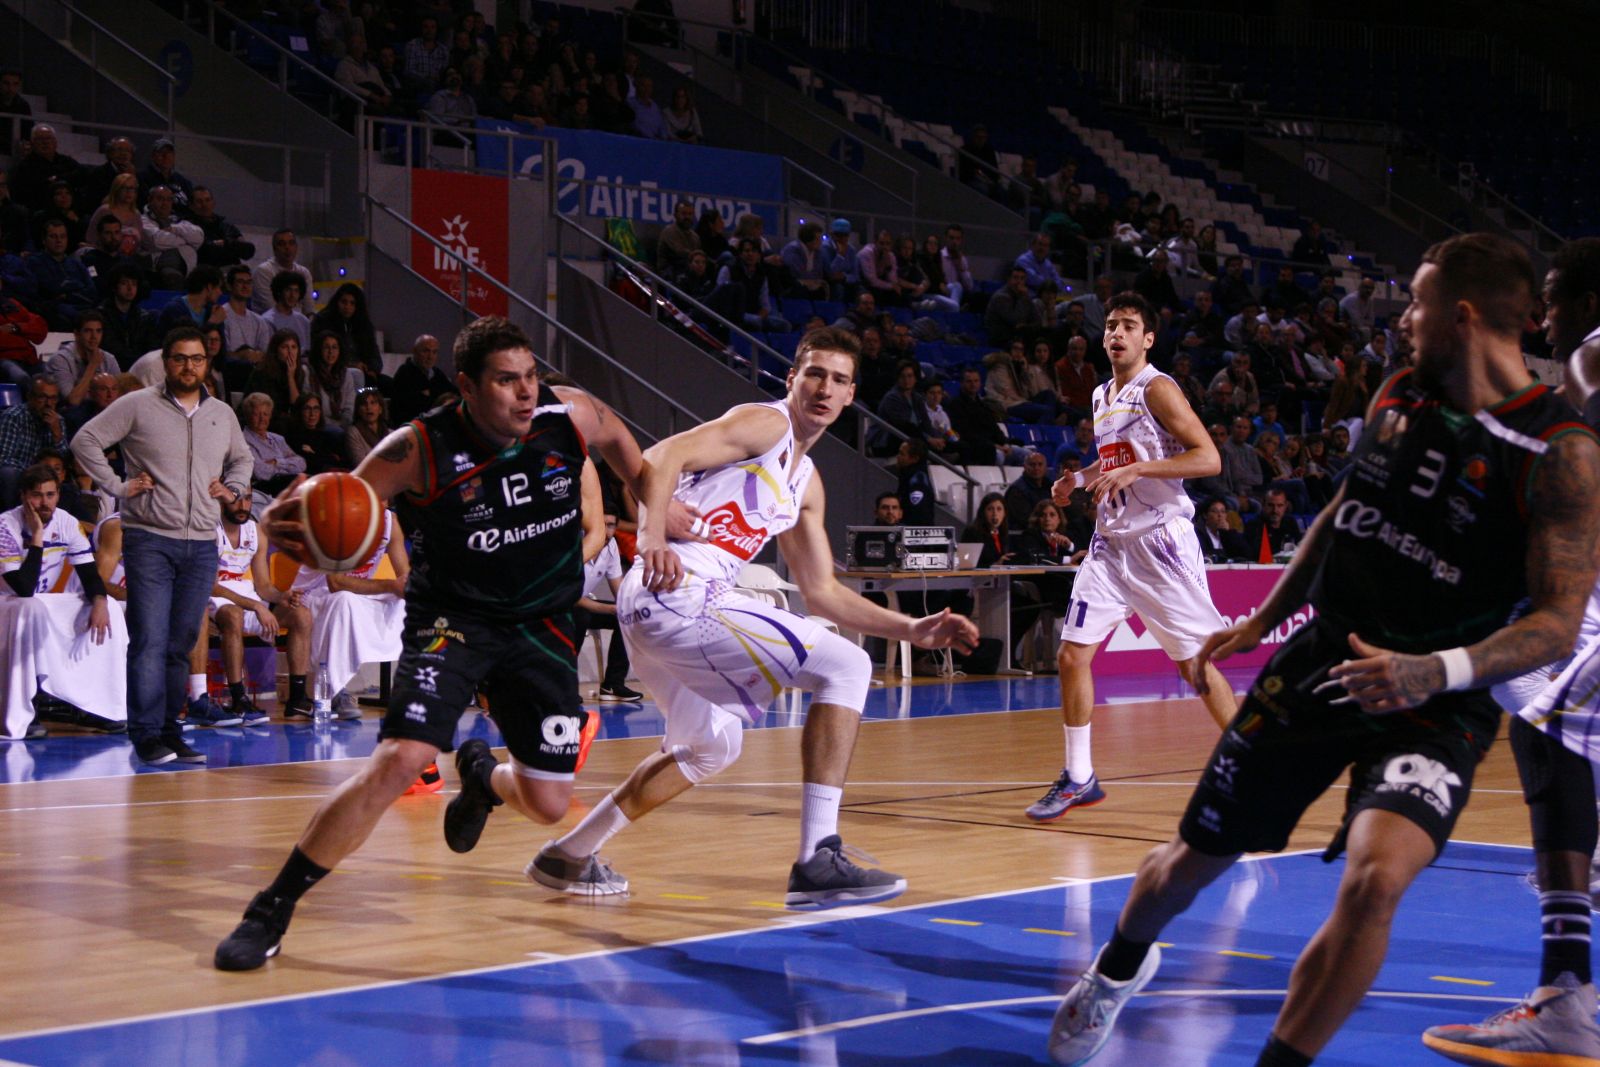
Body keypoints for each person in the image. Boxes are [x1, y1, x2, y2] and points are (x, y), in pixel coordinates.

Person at [1046, 233, 1600, 1067]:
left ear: (1462, 314)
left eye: (1415, 302)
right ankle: (1118, 965)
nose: (1402, 317)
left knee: (1376, 880)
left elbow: (1557, 624)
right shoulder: (1398, 396)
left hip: (1439, 700)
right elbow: (1343, 511)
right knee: (1191, 864)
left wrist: (1434, 670)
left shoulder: (1560, 451)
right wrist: (1262, 618)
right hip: (1323, 664)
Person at [212, 315, 695, 970]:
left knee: (551, 800)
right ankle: (273, 905)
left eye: (530, 377)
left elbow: (636, 459)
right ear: (466, 386)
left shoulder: (572, 414)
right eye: (506, 381)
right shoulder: (418, 447)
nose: (526, 393)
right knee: (400, 759)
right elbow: (339, 496)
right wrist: (282, 514)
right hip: (455, 621)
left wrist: (658, 518)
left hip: (542, 625)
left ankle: (485, 779)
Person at [525, 326, 978, 905]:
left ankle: (569, 855)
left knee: (715, 746)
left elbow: (821, 592)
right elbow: (664, 455)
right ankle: (818, 857)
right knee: (847, 668)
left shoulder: (805, 485)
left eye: (839, 380)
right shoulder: (768, 425)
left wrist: (911, 630)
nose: (824, 387)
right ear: (792, 379)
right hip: (677, 587)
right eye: (814, 373)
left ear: (850, 396)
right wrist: (651, 533)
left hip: (663, 608)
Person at [1419, 237, 1600, 1064]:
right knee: (1539, 700)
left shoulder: (1593, 358)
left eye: (1557, 296)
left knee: (1534, 687)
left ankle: (1566, 989)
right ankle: (1566, 982)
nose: (1544, 313)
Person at [1028, 292, 1237, 824]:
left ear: (1147, 339)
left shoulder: (1157, 388)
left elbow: (1207, 458)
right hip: (1110, 544)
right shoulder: (1101, 395)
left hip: (1159, 543)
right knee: (1072, 654)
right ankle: (1079, 777)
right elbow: (1117, 460)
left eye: (1129, 326)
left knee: (1195, 665)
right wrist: (1078, 480)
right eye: (1111, 326)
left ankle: (1248, 768)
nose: (1116, 333)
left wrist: (1138, 473)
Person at [71, 326, 253, 767]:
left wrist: (232, 488)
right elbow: (84, 441)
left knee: (181, 642)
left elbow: (243, 458)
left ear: (206, 364)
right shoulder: (137, 403)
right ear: (165, 362)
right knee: (149, 641)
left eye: (196, 359)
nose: (188, 366)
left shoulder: (222, 413)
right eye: (179, 358)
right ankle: (147, 736)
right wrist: (118, 485)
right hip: (151, 538)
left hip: (202, 544)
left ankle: (173, 731)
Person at [0, 461, 119, 740]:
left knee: (107, 606)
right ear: (23, 497)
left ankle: (93, 704)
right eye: (37, 495)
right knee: (30, 608)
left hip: (39, 603)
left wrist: (100, 600)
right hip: (7, 603)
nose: (44, 502)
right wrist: (38, 536)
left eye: (50, 495)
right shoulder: (5, 526)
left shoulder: (67, 522)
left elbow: (89, 574)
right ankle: (24, 710)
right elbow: (23, 587)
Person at [283, 507, 408, 721]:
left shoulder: (390, 521)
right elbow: (335, 582)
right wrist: (390, 585)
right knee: (344, 600)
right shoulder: (336, 518)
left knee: (405, 601)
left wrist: (408, 587)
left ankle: (413, 686)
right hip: (311, 595)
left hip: (354, 592)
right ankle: (334, 689)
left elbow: (404, 574)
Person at [195, 491, 308, 725]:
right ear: (220, 499)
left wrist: (282, 596)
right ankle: (238, 699)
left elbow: (264, 585)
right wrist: (256, 605)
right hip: (213, 597)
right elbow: (210, 585)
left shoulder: (255, 531)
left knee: (301, 615)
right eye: (236, 499)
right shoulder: (208, 529)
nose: (243, 505)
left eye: (247, 499)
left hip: (246, 595)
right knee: (233, 615)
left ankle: (297, 699)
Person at [574, 511, 640, 702]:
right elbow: (571, 597)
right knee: (580, 615)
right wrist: (610, 609)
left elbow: (620, 591)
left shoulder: (611, 546)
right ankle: (566, 687)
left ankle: (613, 685)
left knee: (627, 617)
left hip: (583, 605)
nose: (606, 530)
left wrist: (625, 608)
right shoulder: (573, 545)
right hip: (557, 607)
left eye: (611, 525)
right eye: (603, 524)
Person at [390, 333, 453, 423]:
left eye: (434, 352)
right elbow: (409, 408)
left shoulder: (437, 373)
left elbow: (453, 395)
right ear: (415, 351)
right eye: (426, 351)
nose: (430, 357)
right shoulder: (404, 373)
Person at [250, 230, 314, 316]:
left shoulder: (304, 272)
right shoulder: (263, 271)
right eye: (282, 244)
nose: (287, 247)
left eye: (291, 243)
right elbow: (272, 308)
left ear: (296, 247)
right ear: (274, 249)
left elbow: (309, 308)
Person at [263, 273, 312, 352]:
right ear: (279, 292)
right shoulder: (267, 320)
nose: (292, 295)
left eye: (296, 291)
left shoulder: (303, 321)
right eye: (288, 290)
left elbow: (307, 350)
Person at [1194, 495, 1248, 563]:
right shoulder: (1199, 534)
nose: (1220, 515)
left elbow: (1244, 553)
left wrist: (1228, 534)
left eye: (1223, 511)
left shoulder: (1230, 534)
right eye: (1215, 511)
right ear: (1205, 515)